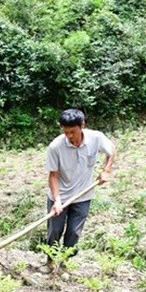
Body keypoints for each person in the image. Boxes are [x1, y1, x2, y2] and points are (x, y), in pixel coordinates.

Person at [44, 108, 115, 267]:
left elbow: (111, 150)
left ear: (82, 125)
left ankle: (65, 264)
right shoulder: (55, 147)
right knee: (54, 231)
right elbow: (53, 175)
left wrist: (106, 170)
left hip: (83, 196)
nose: (69, 136)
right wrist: (56, 200)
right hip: (59, 196)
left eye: (72, 131)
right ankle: (49, 262)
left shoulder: (96, 138)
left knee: (74, 232)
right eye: (65, 132)